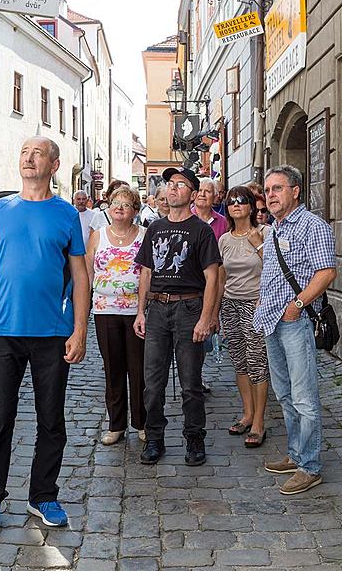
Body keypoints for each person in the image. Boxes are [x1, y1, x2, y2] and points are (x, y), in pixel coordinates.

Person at [0, 136, 89, 533]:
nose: (29, 158)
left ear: (55, 164)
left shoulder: (66, 214)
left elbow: (80, 276)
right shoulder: (0, 210)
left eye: (38, 153)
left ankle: (43, 495)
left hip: (52, 333)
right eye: (24, 152)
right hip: (3, 330)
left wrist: (80, 330)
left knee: (51, 420)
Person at [255, 165, 336, 495]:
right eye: (268, 190)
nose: (270, 195)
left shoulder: (312, 225)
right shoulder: (274, 227)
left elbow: (326, 272)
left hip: (295, 321)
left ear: (295, 191)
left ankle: (310, 467)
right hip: (271, 321)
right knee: (285, 394)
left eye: (277, 188)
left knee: (304, 398)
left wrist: (297, 305)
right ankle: (296, 452)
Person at [134, 166, 220, 467]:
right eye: (170, 184)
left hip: (189, 308)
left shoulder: (202, 231)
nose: (172, 189)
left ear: (193, 194)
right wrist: (140, 312)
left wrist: (206, 319)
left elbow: (213, 278)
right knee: (152, 382)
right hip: (157, 309)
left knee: (190, 383)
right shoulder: (155, 229)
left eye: (180, 184)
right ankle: (155, 437)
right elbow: (146, 271)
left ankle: (194, 438)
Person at [85, 185, 147, 446]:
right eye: (115, 203)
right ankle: (116, 424)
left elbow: (147, 272)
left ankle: (142, 423)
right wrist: (85, 304)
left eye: (126, 204)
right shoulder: (98, 236)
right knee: (113, 368)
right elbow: (88, 271)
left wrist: (142, 310)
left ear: (135, 210)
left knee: (139, 369)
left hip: (135, 312)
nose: (119, 208)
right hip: (105, 310)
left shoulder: (145, 235)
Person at [214, 185, 270, 448]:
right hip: (231, 305)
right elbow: (221, 278)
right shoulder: (224, 240)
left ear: (251, 206)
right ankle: (247, 413)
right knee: (239, 361)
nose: (236, 205)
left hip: (255, 305)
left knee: (257, 362)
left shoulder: (264, 233)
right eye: (231, 201)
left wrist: (259, 245)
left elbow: (274, 268)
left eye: (241, 201)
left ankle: (259, 421)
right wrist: (215, 312)